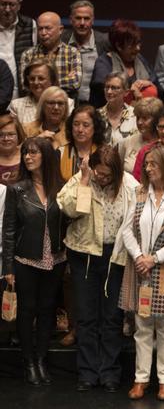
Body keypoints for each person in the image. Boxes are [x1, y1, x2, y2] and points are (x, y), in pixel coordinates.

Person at [58, 145, 138, 392]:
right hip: (84, 255)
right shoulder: (81, 179)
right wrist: (84, 180)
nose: (102, 179)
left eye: (107, 175)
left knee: (112, 317)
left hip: (115, 256)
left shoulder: (129, 185)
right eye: (98, 173)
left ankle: (110, 373)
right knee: (87, 316)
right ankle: (87, 373)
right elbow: (73, 209)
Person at [119, 144, 164, 401]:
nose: (147, 168)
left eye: (153, 164)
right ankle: (140, 379)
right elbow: (126, 230)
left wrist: (154, 258)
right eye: (146, 164)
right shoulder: (139, 193)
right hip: (141, 268)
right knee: (141, 326)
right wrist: (140, 256)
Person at [1, 137, 65, 386]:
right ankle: (28, 363)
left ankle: (41, 359)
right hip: (25, 258)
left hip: (56, 258)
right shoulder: (17, 189)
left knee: (47, 309)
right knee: (27, 311)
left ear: (46, 156)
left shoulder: (61, 186)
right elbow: (8, 230)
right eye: (25, 153)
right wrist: (8, 267)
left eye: (33, 153)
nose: (28, 157)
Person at [90, 19, 160, 107]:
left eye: (138, 43)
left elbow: (159, 88)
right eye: (132, 45)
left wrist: (149, 82)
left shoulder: (141, 60)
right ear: (119, 46)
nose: (138, 48)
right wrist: (130, 88)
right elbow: (102, 85)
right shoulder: (104, 62)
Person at [18, 11, 82, 98]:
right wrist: (61, 81)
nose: (43, 33)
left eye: (48, 28)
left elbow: (75, 82)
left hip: (64, 105)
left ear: (60, 30)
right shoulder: (28, 54)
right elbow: (24, 85)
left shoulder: (72, 52)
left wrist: (40, 85)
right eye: (40, 29)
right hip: (35, 106)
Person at [61, 0, 111, 104]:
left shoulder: (104, 42)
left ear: (92, 20)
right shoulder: (61, 40)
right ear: (71, 20)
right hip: (65, 104)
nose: (82, 23)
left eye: (86, 18)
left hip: (96, 105)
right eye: (78, 18)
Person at [9, 59, 74, 124]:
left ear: (52, 80)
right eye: (32, 79)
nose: (36, 82)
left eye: (41, 78)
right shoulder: (16, 106)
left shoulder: (67, 103)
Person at [0, 0, 35, 99]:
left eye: (12, 4)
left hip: (21, 95)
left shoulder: (30, 25)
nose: (7, 9)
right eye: (3, 4)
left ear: (19, 5)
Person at [58, 104, 106, 182]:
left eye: (86, 125)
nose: (80, 129)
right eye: (76, 124)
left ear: (95, 127)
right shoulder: (60, 152)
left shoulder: (104, 153)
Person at [118, 98, 163, 173]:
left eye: (145, 118)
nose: (139, 122)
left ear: (156, 119)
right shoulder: (129, 141)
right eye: (138, 118)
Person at [98, 72, 137, 145]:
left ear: (126, 92)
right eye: (107, 87)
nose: (109, 91)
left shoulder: (135, 115)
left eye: (114, 88)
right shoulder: (96, 115)